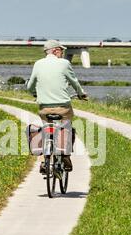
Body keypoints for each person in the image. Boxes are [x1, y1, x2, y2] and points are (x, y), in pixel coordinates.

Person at [27, 39, 88, 172]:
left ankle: (45, 160)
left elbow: (30, 85)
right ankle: (65, 155)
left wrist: (34, 94)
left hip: (44, 108)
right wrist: (81, 94)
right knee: (67, 128)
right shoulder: (65, 63)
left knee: (46, 129)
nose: (63, 53)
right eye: (61, 51)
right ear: (55, 51)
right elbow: (74, 82)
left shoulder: (38, 64)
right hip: (63, 107)